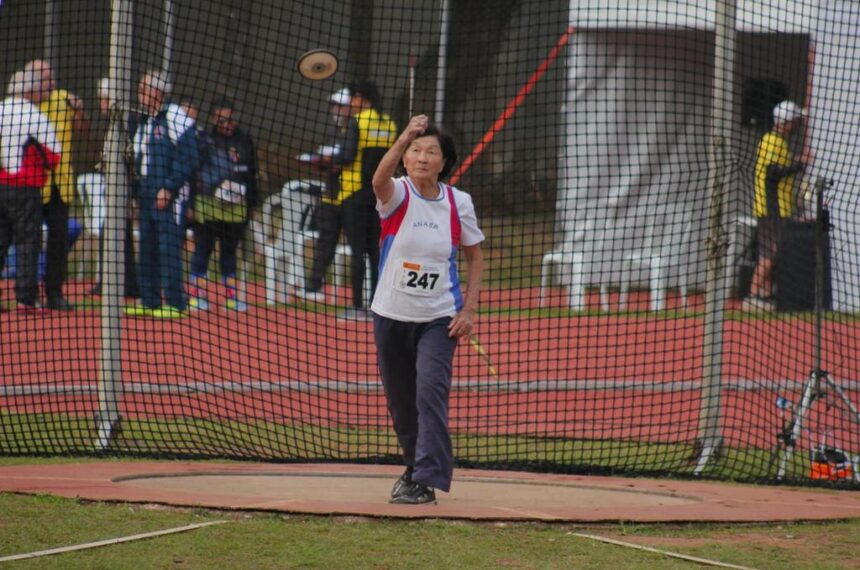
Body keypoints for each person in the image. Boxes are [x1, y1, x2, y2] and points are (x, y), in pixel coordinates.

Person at [371, 115, 485, 504]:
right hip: (390, 315)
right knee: (402, 402)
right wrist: (404, 135)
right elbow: (377, 181)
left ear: (443, 161)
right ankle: (413, 468)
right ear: (405, 158)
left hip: (439, 319)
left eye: (431, 151)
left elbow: (474, 258)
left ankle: (427, 478)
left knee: (429, 392)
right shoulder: (398, 195)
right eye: (415, 151)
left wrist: (468, 311)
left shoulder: (459, 202)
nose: (422, 157)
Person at [301, 82, 398, 321]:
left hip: (353, 193)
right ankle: (378, 304)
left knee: (358, 251)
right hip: (380, 194)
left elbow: (346, 156)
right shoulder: (389, 124)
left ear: (361, 98)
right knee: (377, 251)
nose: (350, 104)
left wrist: (324, 159)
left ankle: (357, 306)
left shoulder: (358, 122)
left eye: (353, 98)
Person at [124, 70, 199, 318]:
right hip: (145, 193)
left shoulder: (176, 116)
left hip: (169, 194)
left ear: (157, 91)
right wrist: (134, 193)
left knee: (168, 246)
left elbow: (188, 157)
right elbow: (137, 158)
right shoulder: (145, 121)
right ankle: (149, 298)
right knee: (147, 245)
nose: (140, 94)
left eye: (144, 88)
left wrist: (169, 186)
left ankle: (176, 302)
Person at [0, 68, 62, 312]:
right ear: (30, 90)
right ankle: (25, 297)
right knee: (27, 241)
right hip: (25, 188)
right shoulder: (34, 115)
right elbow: (53, 155)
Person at [187, 98, 258, 311]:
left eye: (229, 119)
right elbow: (195, 173)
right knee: (203, 249)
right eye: (221, 120)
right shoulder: (205, 140)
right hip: (208, 204)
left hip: (236, 207)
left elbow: (251, 172)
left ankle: (232, 297)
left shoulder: (244, 140)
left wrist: (252, 204)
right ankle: (197, 294)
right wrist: (191, 203)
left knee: (229, 251)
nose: (226, 124)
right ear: (213, 119)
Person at [28, 60, 86, 310]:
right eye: (44, 78)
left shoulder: (64, 100)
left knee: (59, 240)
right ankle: (28, 294)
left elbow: (83, 132)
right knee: (27, 240)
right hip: (31, 185)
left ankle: (55, 293)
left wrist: (80, 111)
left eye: (51, 77)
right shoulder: (23, 106)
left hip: (60, 185)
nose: (50, 83)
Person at [746, 100, 809, 311]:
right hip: (771, 208)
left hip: (777, 207)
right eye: (795, 121)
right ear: (787, 122)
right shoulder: (772, 141)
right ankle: (753, 295)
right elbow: (772, 174)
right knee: (770, 253)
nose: (797, 125)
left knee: (771, 252)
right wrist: (799, 165)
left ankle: (764, 295)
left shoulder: (779, 142)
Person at [297, 87, 355, 304]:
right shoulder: (332, 130)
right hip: (330, 195)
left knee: (361, 246)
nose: (336, 110)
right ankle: (314, 286)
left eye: (341, 105)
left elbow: (347, 158)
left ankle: (367, 293)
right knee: (325, 242)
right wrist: (320, 163)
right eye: (334, 105)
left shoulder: (355, 128)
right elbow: (327, 160)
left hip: (351, 197)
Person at [89, 76, 140, 299]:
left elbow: (131, 158)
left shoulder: (126, 123)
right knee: (111, 234)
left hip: (125, 188)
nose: (101, 104)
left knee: (117, 235)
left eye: (103, 99)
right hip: (113, 187)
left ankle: (125, 284)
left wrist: (131, 195)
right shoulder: (111, 123)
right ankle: (115, 282)